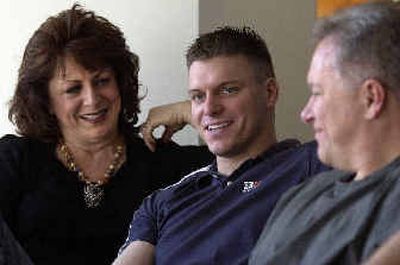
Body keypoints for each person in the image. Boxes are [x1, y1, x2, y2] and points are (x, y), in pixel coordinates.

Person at [0, 4, 213, 265]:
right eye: (73, 89)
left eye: (102, 81)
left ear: (120, 84)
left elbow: (258, 179)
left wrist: (194, 112)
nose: (92, 100)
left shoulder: (162, 163)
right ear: (47, 101)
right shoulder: (17, 159)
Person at [114, 26, 328, 265]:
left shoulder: (313, 164)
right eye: (198, 96)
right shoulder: (163, 203)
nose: (210, 108)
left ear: (269, 92)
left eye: (228, 90)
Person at [249, 2, 400, 264]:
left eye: (317, 93)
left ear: (371, 98)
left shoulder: (392, 199)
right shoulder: (300, 197)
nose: (305, 114)